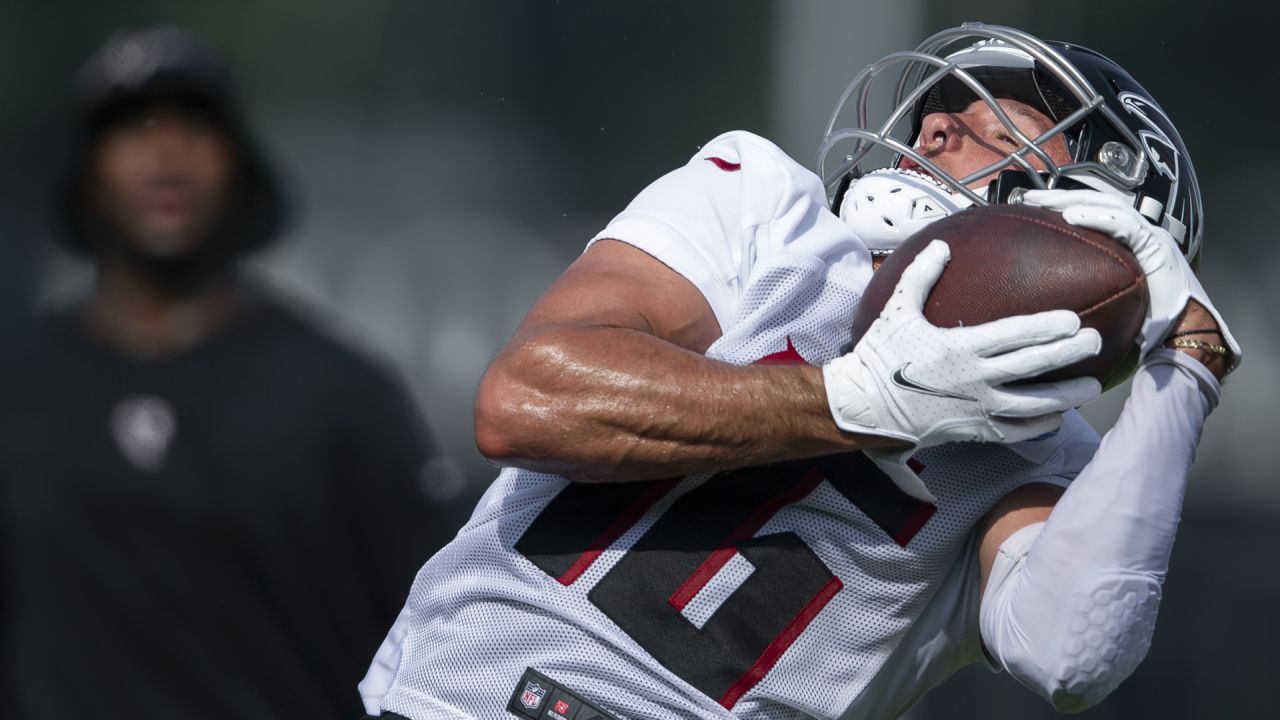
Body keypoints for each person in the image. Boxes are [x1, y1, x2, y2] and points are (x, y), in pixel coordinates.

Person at [359, 23, 1239, 720]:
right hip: (460, 698)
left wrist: (1188, 364)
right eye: (945, 105)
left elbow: (1072, 654)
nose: (936, 123)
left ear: (1098, 215)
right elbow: (526, 399)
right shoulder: (767, 210)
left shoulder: (1047, 464)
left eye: (997, 122)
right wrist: (858, 401)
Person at [0, 26, 462, 719]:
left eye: (195, 124)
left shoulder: (339, 395)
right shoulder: (17, 388)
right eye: (131, 127)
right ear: (85, 172)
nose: (166, 152)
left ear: (241, 164)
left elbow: (443, 627)